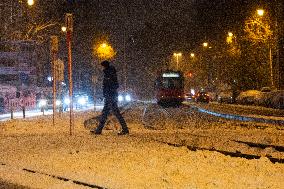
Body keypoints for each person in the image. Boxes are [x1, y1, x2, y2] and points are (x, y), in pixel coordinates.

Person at [92, 60, 129, 135]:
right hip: (110, 96)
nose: (101, 68)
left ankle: (125, 129)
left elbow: (113, 85)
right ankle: (99, 130)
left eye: (101, 66)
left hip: (111, 97)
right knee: (105, 113)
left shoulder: (109, 73)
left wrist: (108, 93)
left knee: (115, 113)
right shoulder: (108, 73)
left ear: (104, 66)